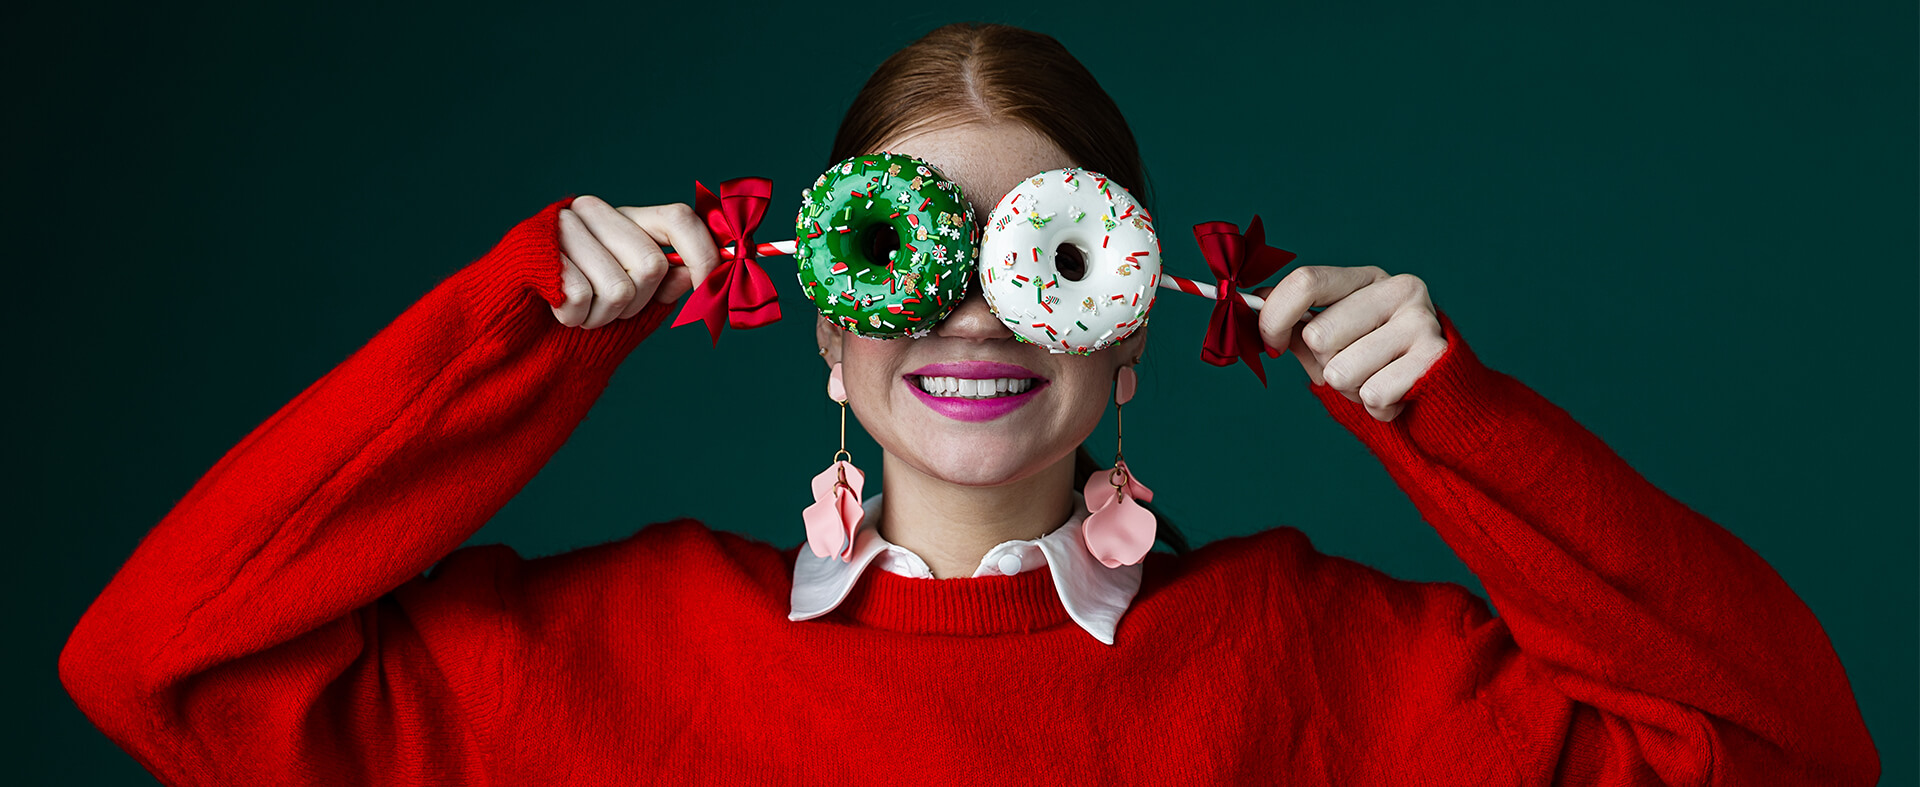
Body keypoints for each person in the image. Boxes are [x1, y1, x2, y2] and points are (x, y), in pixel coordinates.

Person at [59, 22, 1877, 786]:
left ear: (1138, 329)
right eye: (903, 254)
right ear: (820, 330)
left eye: (1048, 257)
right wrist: (518, 331)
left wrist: (1454, 420)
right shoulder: (603, 662)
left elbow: (1788, 756)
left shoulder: (1334, 668)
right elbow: (160, 664)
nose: (970, 309)